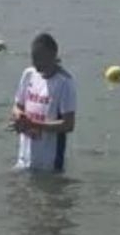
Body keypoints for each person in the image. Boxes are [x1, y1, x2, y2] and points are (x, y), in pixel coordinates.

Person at [8, 33, 77, 173]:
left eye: (39, 58)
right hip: (24, 159)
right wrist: (19, 116)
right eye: (33, 57)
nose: (35, 63)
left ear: (52, 55)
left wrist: (33, 124)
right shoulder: (29, 74)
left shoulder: (65, 83)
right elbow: (17, 106)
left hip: (49, 164)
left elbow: (68, 125)